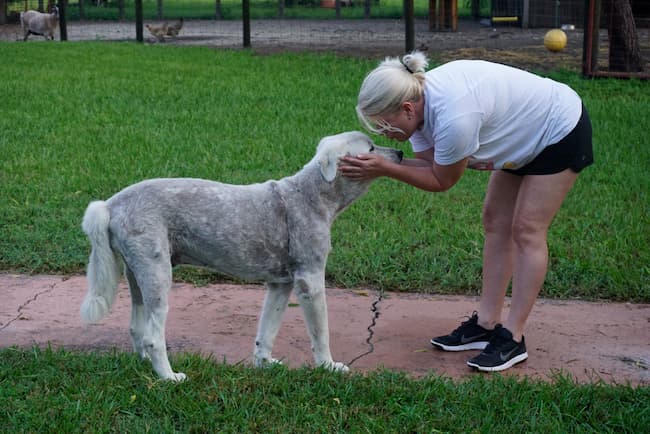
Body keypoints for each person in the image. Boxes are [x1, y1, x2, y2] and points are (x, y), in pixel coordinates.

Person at [339, 52, 593, 372]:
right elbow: (431, 162)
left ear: (406, 108)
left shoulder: (454, 117)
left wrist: (386, 168)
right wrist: (388, 164)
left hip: (558, 129)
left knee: (527, 228)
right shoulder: (416, 104)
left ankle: (512, 338)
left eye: (385, 126)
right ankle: (486, 325)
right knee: (496, 221)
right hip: (522, 133)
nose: (383, 134)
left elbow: (441, 179)